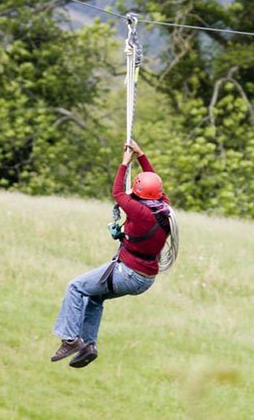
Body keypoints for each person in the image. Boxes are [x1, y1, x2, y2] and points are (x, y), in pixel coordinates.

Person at [51, 139, 171, 368]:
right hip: (145, 279)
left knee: (75, 287)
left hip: (128, 273)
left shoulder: (139, 211)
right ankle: (88, 345)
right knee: (94, 297)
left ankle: (69, 339)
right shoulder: (164, 209)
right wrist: (142, 155)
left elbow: (117, 192)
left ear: (139, 193)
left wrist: (126, 162)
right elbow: (154, 183)